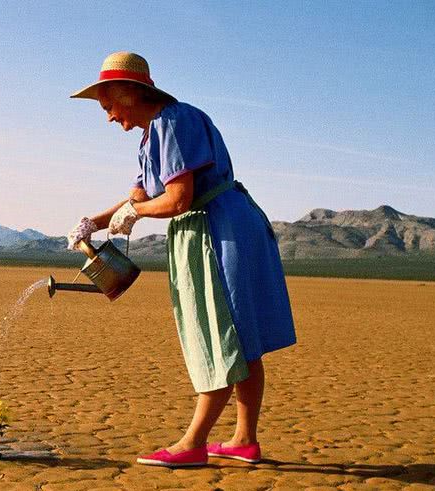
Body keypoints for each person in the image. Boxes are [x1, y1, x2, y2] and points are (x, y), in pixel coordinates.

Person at [67, 52, 296, 468]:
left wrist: (135, 213)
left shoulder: (174, 122)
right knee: (242, 339)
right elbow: (140, 196)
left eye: (108, 106)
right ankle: (244, 440)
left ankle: (194, 443)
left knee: (219, 334)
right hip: (218, 224)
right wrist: (94, 223)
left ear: (127, 93)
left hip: (215, 229)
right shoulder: (153, 133)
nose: (108, 118)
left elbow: (177, 199)